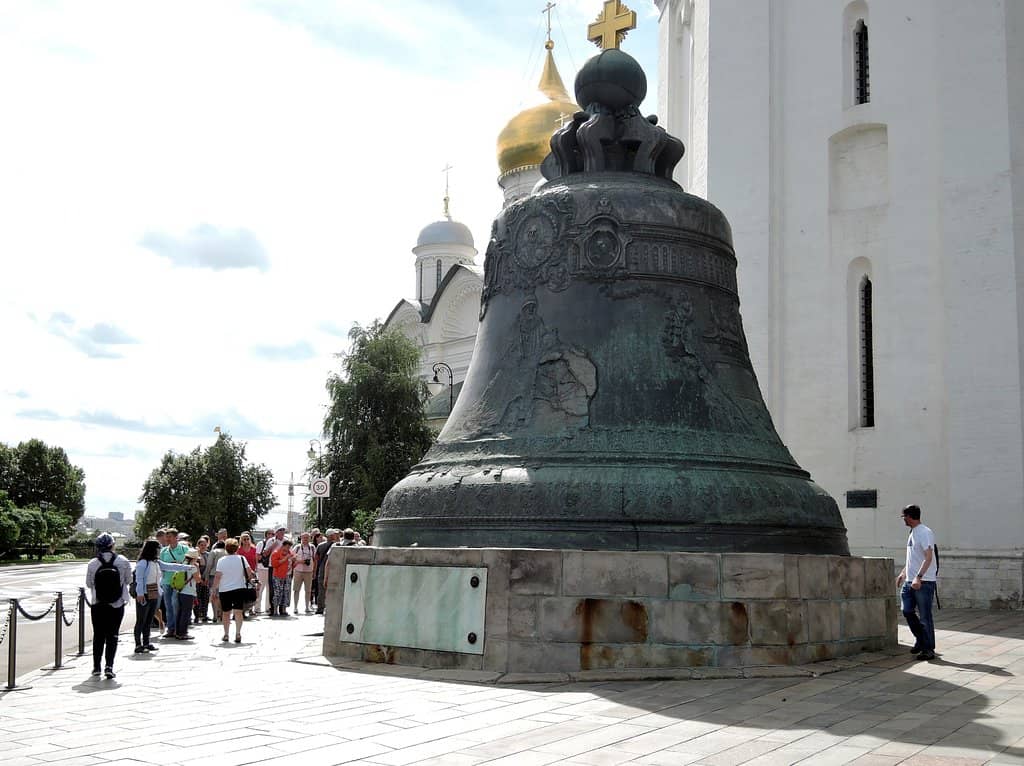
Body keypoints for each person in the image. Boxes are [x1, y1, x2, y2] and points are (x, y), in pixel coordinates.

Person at [85, 533, 131, 679]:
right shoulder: (122, 561)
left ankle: (96, 666)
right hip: (117, 604)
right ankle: (109, 666)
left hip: (98, 603)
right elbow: (129, 580)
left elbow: (88, 584)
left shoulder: (92, 563)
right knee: (113, 635)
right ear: (112, 545)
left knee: (98, 635)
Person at [896, 504, 938, 661]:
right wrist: (903, 573)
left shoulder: (925, 532)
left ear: (910, 516)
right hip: (909, 581)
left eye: (904, 517)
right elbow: (913, 558)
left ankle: (928, 649)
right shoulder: (912, 532)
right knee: (906, 610)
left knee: (925, 616)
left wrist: (919, 577)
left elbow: (928, 557)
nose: (903, 520)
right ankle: (921, 639)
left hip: (924, 582)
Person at [211, 538, 252, 643]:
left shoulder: (221, 561)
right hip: (239, 588)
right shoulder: (242, 559)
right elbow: (249, 574)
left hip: (225, 590)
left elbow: (218, 576)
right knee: (238, 612)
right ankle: (238, 633)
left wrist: (214, 589)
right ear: (237, 548)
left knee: (226, 613)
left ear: (226, 549)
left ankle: (226, 634)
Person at [159, 528, 189, 637]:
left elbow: (190, 561)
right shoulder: (163, 551)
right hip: (167, 581)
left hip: (179, 582)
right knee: (168, 606)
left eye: (169, 537)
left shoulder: (185, 549)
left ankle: (177, 628)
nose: (167, 539)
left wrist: (178, 563)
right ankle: (170, 628)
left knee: (175, 604)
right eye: (166, 537)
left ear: (176, 538)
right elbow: (160, 566)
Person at [171, 548, 202, 640]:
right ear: (194, 558)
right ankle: (183, 633)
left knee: (180, 612)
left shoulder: (182, 565)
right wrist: (198, 569)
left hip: (180, 591)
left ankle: (177, 632)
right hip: (188, 592)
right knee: (186, 613)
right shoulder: (193, 567)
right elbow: (198, 580)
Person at [258, 526, 286, 614]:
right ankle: (272, 608)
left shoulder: (286, 541)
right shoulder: (271, 541)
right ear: (276, 532)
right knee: (272, 588)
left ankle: (282, 609)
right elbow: (265, 554)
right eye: (280, 530)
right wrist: (272, 546)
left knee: (283, 588)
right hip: (272, 566)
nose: (282, 532)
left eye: (283, 530)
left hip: (283, 567)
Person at [313, 529, 339, 615]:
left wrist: (315, 571)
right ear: (331, 536)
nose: (336, 536)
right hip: (333, 570)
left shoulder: (320, 545)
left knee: (321, 590)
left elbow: (316, 559)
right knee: (333, 589)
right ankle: (330, 608)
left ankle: (320, 608)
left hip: (321, 570)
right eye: (335, 534)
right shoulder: (336, 546)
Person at [292, 532, 316, 614]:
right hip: (298, 571)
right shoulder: (297, 547)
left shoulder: (312, 547)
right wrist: (301, 561)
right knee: (296, 590)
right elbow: (292, 558)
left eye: (307, 538)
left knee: (308, 590)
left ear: (310, 538)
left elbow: (315, 560)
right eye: (304, 538)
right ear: (301, 538)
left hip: (309, 571)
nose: (305, 539)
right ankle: (295, 607)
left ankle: (307, 607)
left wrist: (314, 571)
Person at [269, 538, 294, 616]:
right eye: (286, 546)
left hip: (288, 575)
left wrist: (294, 561)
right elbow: (274, 564)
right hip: (278, 576)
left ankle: (283, 610)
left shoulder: (290, 553)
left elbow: (293, 563)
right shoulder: (276, 553)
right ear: (283, 546)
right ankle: (275, 610)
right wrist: (285, 558)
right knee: (277, 593)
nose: (288, 548)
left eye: (289, 547)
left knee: (286, 592)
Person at [205, 540, 227, 622]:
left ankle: (214, 615)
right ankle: (221, 614)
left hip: (213, 575)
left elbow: (209, 564)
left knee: (214, 595)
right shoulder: (227, 552)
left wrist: (206, 576)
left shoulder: (213, 552)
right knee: (222, 595)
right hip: (225, 576)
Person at [193, 536, 211, 623]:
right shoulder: (195, 555)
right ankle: (197, 616)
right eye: (201, 545)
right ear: (198, 545)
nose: (203, 546)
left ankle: (204, 615)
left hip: (206, 579)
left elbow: (209, 567)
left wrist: (206, 579)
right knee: (197, 598)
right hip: (197, 579)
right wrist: (201, 579)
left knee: (205, 598)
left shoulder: (208, 554)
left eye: (205, 545)